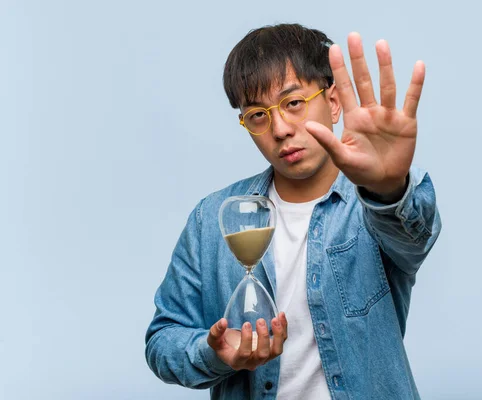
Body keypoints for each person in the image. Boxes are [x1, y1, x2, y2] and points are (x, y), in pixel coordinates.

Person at [145, 23, 441, 399]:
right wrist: (216, 353)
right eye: (257, 115)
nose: (280, 129)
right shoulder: (213, 218)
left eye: (294, 103)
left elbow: (413, 234)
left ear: (332, 103)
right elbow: (162, 339)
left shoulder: (371, 209)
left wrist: (385, 187)